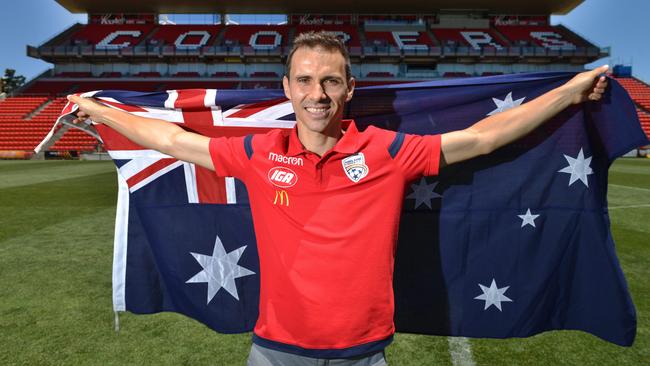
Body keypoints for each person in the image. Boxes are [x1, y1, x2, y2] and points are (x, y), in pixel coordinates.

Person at [69, 32, 608, 366]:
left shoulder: (388, 151)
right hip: (275, 352)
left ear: (350, 89)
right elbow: (172, 140)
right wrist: (100, 111)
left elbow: (484, 136)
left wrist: (570, 91)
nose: (317, 95)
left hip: (364, 352)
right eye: (305, 81)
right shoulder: (258, 153)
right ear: (287, 88)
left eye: (330, 81)